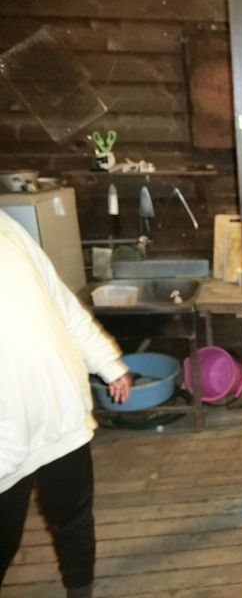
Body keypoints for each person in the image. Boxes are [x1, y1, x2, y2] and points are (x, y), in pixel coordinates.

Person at [0, 210, 131, 598]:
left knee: (73, 518)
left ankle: (80, 591)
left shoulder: (7, 228)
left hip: (61, 415)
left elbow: (61, 303)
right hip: (5, 441)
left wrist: (108, 363)